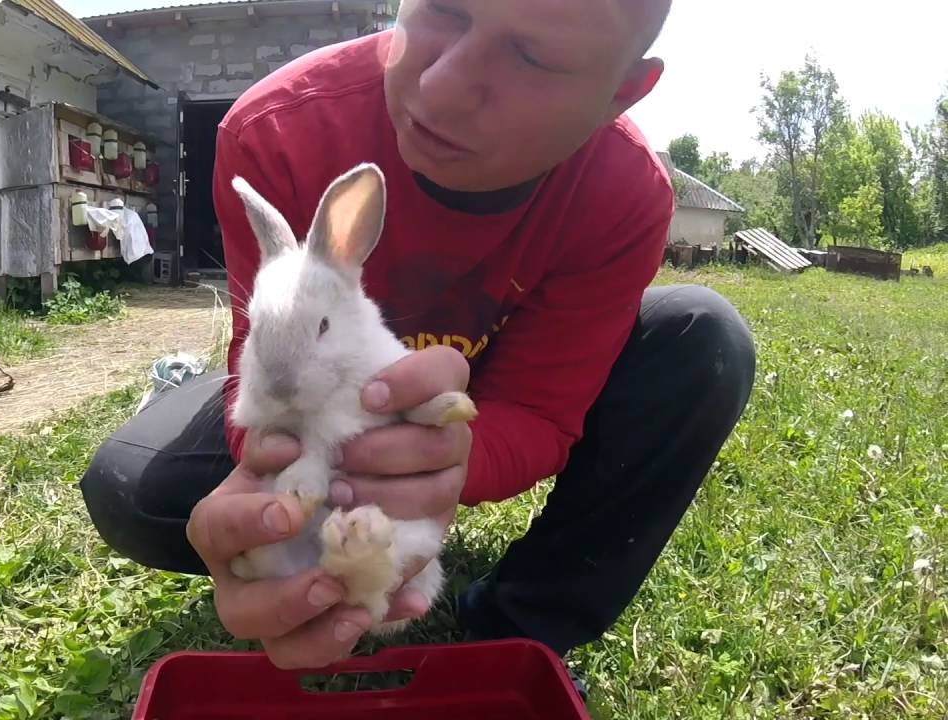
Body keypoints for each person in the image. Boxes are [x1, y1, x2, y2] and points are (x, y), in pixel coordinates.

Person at [82, 0, 756, 685]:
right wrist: (278, 480)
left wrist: (439, 464)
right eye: (441, 9)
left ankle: (520, 627)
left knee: (703, 340)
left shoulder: (623, 187)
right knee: (132, 490)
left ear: (619, 92)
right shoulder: (275, 129)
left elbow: (539, 412)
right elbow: (265, 372)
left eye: (535, 57)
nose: (441, 84)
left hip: (481, 387)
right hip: (317, 395)